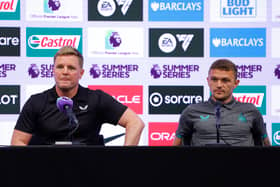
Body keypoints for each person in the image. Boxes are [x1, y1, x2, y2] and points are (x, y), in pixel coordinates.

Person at [11, 46, 145, 146]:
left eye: (71, 68)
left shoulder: (96, 99)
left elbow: (135, 123)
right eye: (60, 67)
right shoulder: (37, 102)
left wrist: (126, 158)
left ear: (81, 73)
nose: (65, 72)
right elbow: (18, 141)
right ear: (53, 71)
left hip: (88, 172)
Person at [173, 59, 271, 146]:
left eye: (225, 80)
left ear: (236, 83)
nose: (219, 85)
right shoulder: (191, 111)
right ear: (208, 81)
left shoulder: (251, 111)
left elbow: (266, 147)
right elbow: (175, 150)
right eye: (214, 79)